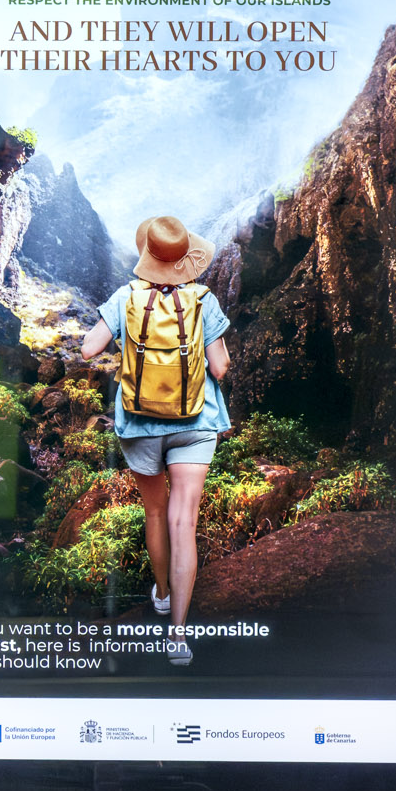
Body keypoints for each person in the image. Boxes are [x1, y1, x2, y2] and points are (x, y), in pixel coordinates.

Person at [76, 217, 232, 667]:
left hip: (141, 426)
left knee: (156, 512)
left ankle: (161, 592)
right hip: (195, 423)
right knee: (184, 521)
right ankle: (179, 638)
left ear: (148, 256)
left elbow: (88, 349)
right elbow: (220, 369)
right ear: (186, 259)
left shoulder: (126, 297)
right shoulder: (204, 299)